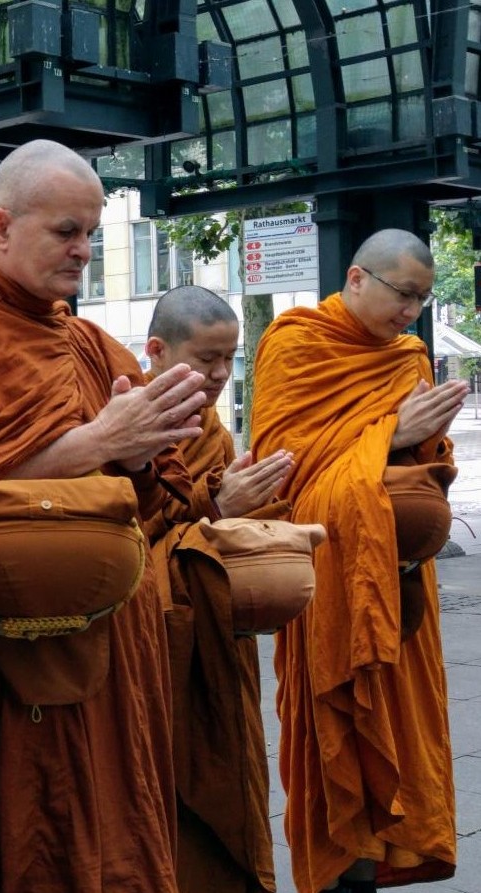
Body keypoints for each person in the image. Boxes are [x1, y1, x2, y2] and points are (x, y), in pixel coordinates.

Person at [0, 139, 209, 892]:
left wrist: (140, 452)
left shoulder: (82, 339)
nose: (84, 251)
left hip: (106, 653)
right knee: (19, 847)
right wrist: (96, 442)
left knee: (110, 832)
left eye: (93, 233)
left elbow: (153, 500)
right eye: (65, 232)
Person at [252, 229, 464, 893]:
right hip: (331, 587)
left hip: (399, 585)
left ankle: (387, 855)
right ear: (356, 277)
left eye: (423, 300)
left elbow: (426, 470)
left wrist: (424, 443)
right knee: (336, 737)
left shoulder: (409, 358)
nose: (412, 311)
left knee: (403, 731)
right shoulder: (295, 343)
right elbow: (282, 473)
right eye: (404, 293)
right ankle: (347, 868)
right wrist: (392, 433)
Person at [142, 285, 293, 893]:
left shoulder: (213, 432)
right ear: (156, 350)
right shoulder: (124, 419)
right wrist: (215, 503)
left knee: (226, 776)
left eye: (230, 358)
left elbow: (209, 527)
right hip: (152, 643)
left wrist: (249, 512)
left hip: (213, 641)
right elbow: (121, 529)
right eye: (206, 359)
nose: (219, 374)